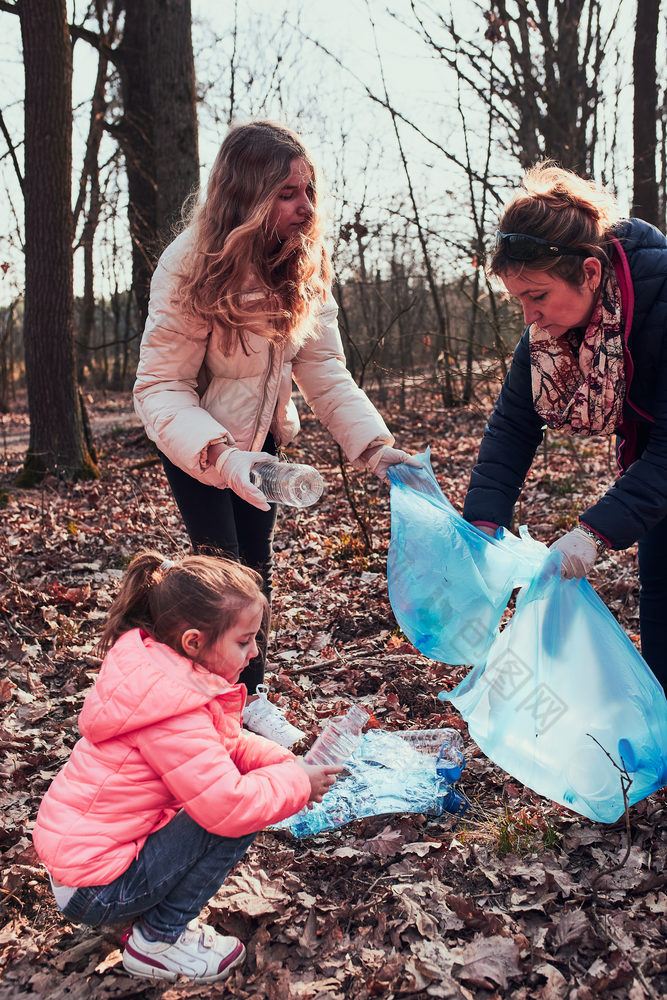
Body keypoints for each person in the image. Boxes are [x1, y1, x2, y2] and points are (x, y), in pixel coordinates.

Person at [133, 120, 419, 746]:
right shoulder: (190, 265)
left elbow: (323, 369)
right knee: (222, 579)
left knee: (254, 575)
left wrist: (375, 447)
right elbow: (159, 386)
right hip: (200, 447)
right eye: (288, 192)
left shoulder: (302, 264)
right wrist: (220, 456)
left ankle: (248, 695)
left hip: (262, 450)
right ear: (246, 192)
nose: (305, 207)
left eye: (308, 190)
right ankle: (208, 706)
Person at [32, 551, 341, 985]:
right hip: (97, 889)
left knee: (243, 789)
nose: (254, 653)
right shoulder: (172, 712)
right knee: (238, 811)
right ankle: (157, 941)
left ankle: (145, 918)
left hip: (82, 867)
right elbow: (227, 807)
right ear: (194, 642)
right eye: (244, 640)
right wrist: (293, 784)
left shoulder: (162, 677)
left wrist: (285, 764)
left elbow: (226, 743)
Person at [462, 161, 667, 692]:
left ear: (590, 274)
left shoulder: (660, 305)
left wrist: (593, 532)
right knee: (660, 589)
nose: (529, 316)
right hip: (648, 463)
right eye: (519, 301)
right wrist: (483, 522)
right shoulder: (550, 337)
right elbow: (512, 426)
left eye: (538, 296)